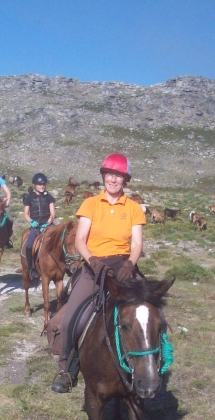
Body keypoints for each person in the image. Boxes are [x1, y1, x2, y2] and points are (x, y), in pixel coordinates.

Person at [51, 153, 146, 393]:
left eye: (119, 176)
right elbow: (81, 240)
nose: (114, 180)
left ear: (125, 180)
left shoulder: (133, 208)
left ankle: (149, 364)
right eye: (110, 174)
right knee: (73, 313)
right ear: (104, 176)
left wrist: (129, 264)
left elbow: (136, 244)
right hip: (94, 267)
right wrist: (92, 261)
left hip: (124, 266)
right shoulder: (90, 204)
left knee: (148, 311)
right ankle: (66, 370)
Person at [22, 172, 56, 279]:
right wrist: (31, 221)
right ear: (34, 185)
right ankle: (31, 268)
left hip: (48, 225)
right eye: (39, 184)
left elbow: (52, 213)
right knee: (29, 245)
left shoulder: (49, 197)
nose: (42, 186)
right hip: (36, 226)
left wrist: (48, 222)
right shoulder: (29, 197)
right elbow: (25, 213)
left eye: (43, 184)